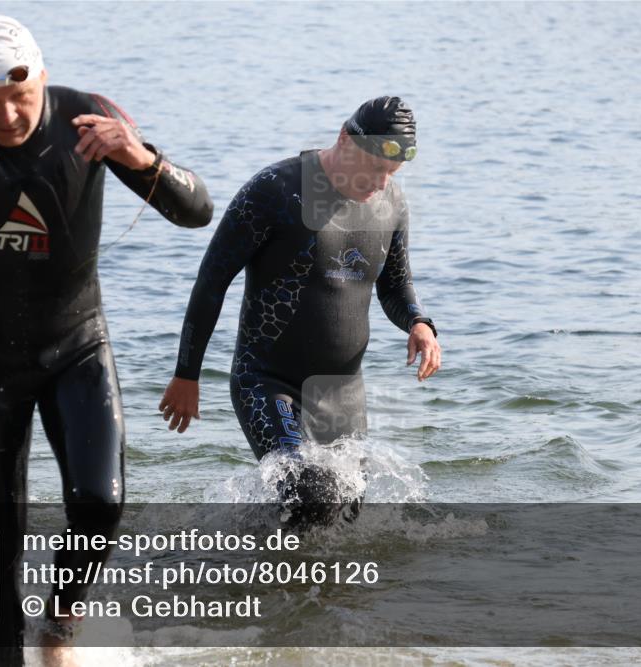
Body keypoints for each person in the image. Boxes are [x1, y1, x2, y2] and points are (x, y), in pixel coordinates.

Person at [0, 14, 213, 666]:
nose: (7, 115)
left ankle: (60, 621)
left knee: (100, 504)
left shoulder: (87, 121)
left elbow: (197, 211)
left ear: (43, 77)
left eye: (21, 94)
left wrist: (139, 157)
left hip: (76, 346)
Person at [159, 96, 440, 519]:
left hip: (343, 393)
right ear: (344, 139)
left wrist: (419, 323)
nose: (381, 184)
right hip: (269, 381)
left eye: (391, 173)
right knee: (312, 496)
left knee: (344, 518)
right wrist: (187, 374)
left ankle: (253, 545)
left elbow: (396, 284)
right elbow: (212, 281)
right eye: (373, 169)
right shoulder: (276, 190)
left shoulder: (391, 204)